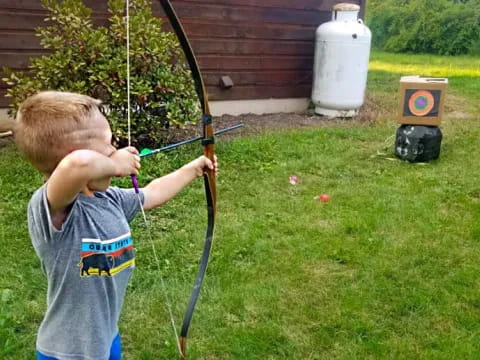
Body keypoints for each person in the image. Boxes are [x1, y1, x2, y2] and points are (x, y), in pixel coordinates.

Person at [13, 91, 217, 360]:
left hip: (106, 338)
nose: (116, 149)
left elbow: (152, 193)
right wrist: (113, 163)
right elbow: (78, 165)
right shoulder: (54, 210)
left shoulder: (109, 199)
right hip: (67, 351)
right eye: (109, 144)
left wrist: (193, 169)